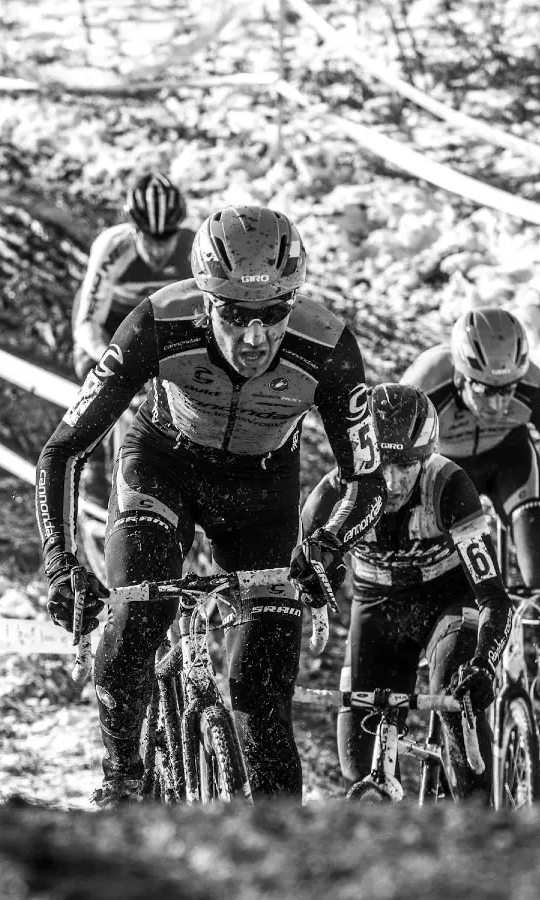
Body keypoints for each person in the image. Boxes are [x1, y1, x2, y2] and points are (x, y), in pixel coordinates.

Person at [35, 205, 386, 808]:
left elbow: (369, 482)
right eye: (233, 314)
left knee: (261, 691)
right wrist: (61, 561)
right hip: (161, 464)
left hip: (261, 489)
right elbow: (63, 451)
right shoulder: (156, 324)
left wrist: (328, 545)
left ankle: (277, 850)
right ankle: (123, 780)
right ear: (204, 300)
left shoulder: (327, 346)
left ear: (293, 302)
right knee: (136, 616)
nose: (254, 338)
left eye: (273, 314)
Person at [301, 383, 512, 802]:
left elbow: (493, 597)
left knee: (456, 692)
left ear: (426, 457)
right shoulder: (332, 494)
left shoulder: (449, 485)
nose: (394, 481)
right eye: (382, 465)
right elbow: (290, 583)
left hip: (450, 603)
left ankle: (479, 833)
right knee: (356, 768)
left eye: (407, 465)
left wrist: (485, 664)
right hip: (377, 610)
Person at [72, 171, 194, 505]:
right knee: (97, 376)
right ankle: (93, 467)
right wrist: (113, 361)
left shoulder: (192, 248)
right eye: (150, 238)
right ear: (133, 229)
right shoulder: (113, 247)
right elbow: (86, 324)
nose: (158, 248)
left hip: (154, 326)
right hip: (107, 325)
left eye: (167, 236)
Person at [401, 306, 540, 589]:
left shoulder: (531, 384)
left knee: (538, 574)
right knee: (441, 582)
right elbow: (387, 455)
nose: (498, 405)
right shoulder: (426, 385)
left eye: (507, 390)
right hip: (447, 472)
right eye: (486, 391)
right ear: (461, 376)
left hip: (509, 463)